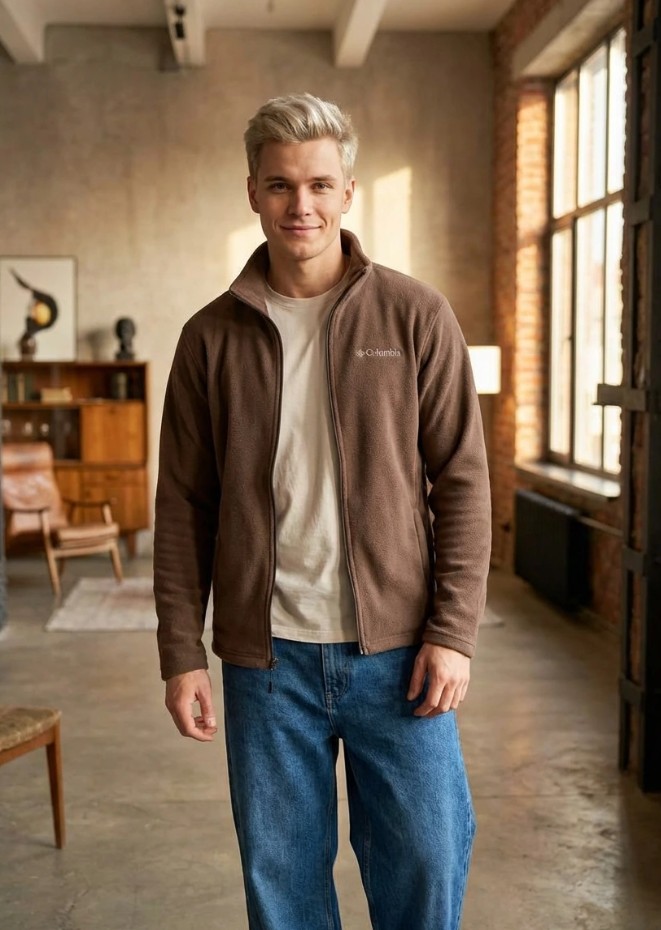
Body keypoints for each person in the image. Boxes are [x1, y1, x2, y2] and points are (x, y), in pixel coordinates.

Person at [154, 92, 491, 930]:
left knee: (426, 862)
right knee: (284, 888)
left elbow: (461, 482)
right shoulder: (209, 338)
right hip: (267, 662)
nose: (298, 204)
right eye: (279, 184)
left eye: (317, 184)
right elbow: (184, 506)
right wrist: (180, 653)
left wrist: (453, 633)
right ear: (252, 192)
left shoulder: (414, 315)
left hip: (400, 655)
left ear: (347, 192)